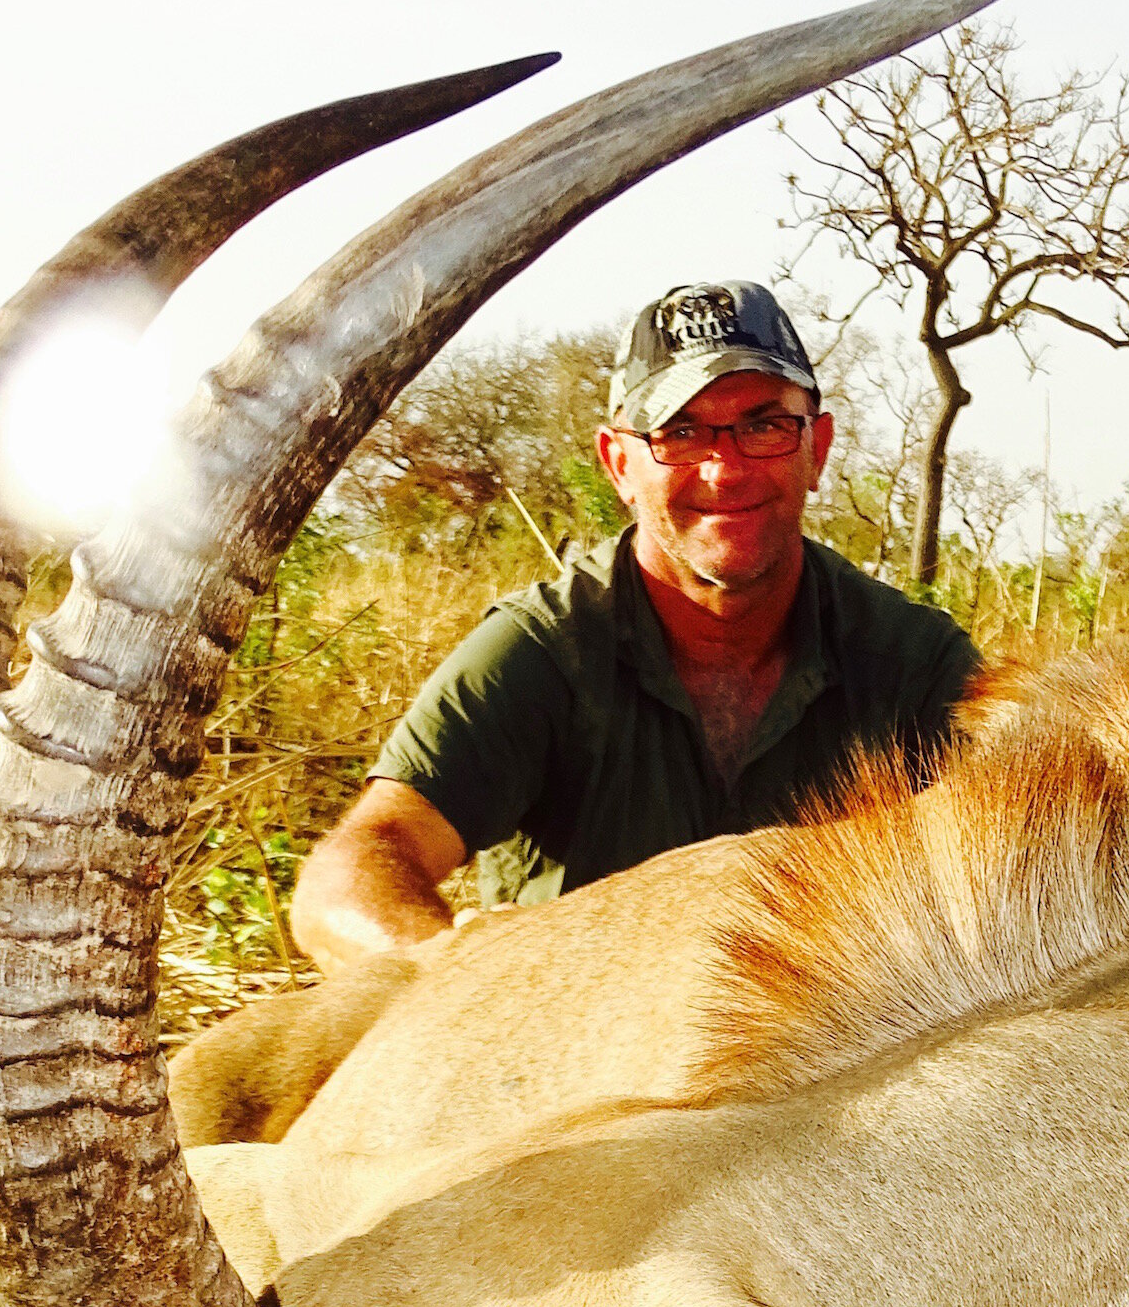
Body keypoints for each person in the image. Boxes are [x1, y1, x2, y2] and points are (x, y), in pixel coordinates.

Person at [288, 282, 982, 970]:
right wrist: (439, 971)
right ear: (620, 463)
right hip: (581, 1055)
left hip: (833, 1052)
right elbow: (350, 872)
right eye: (679, 433)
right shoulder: (540, 650)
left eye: (764, 426)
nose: (724, 468)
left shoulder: (914, 661)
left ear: (817, 448)